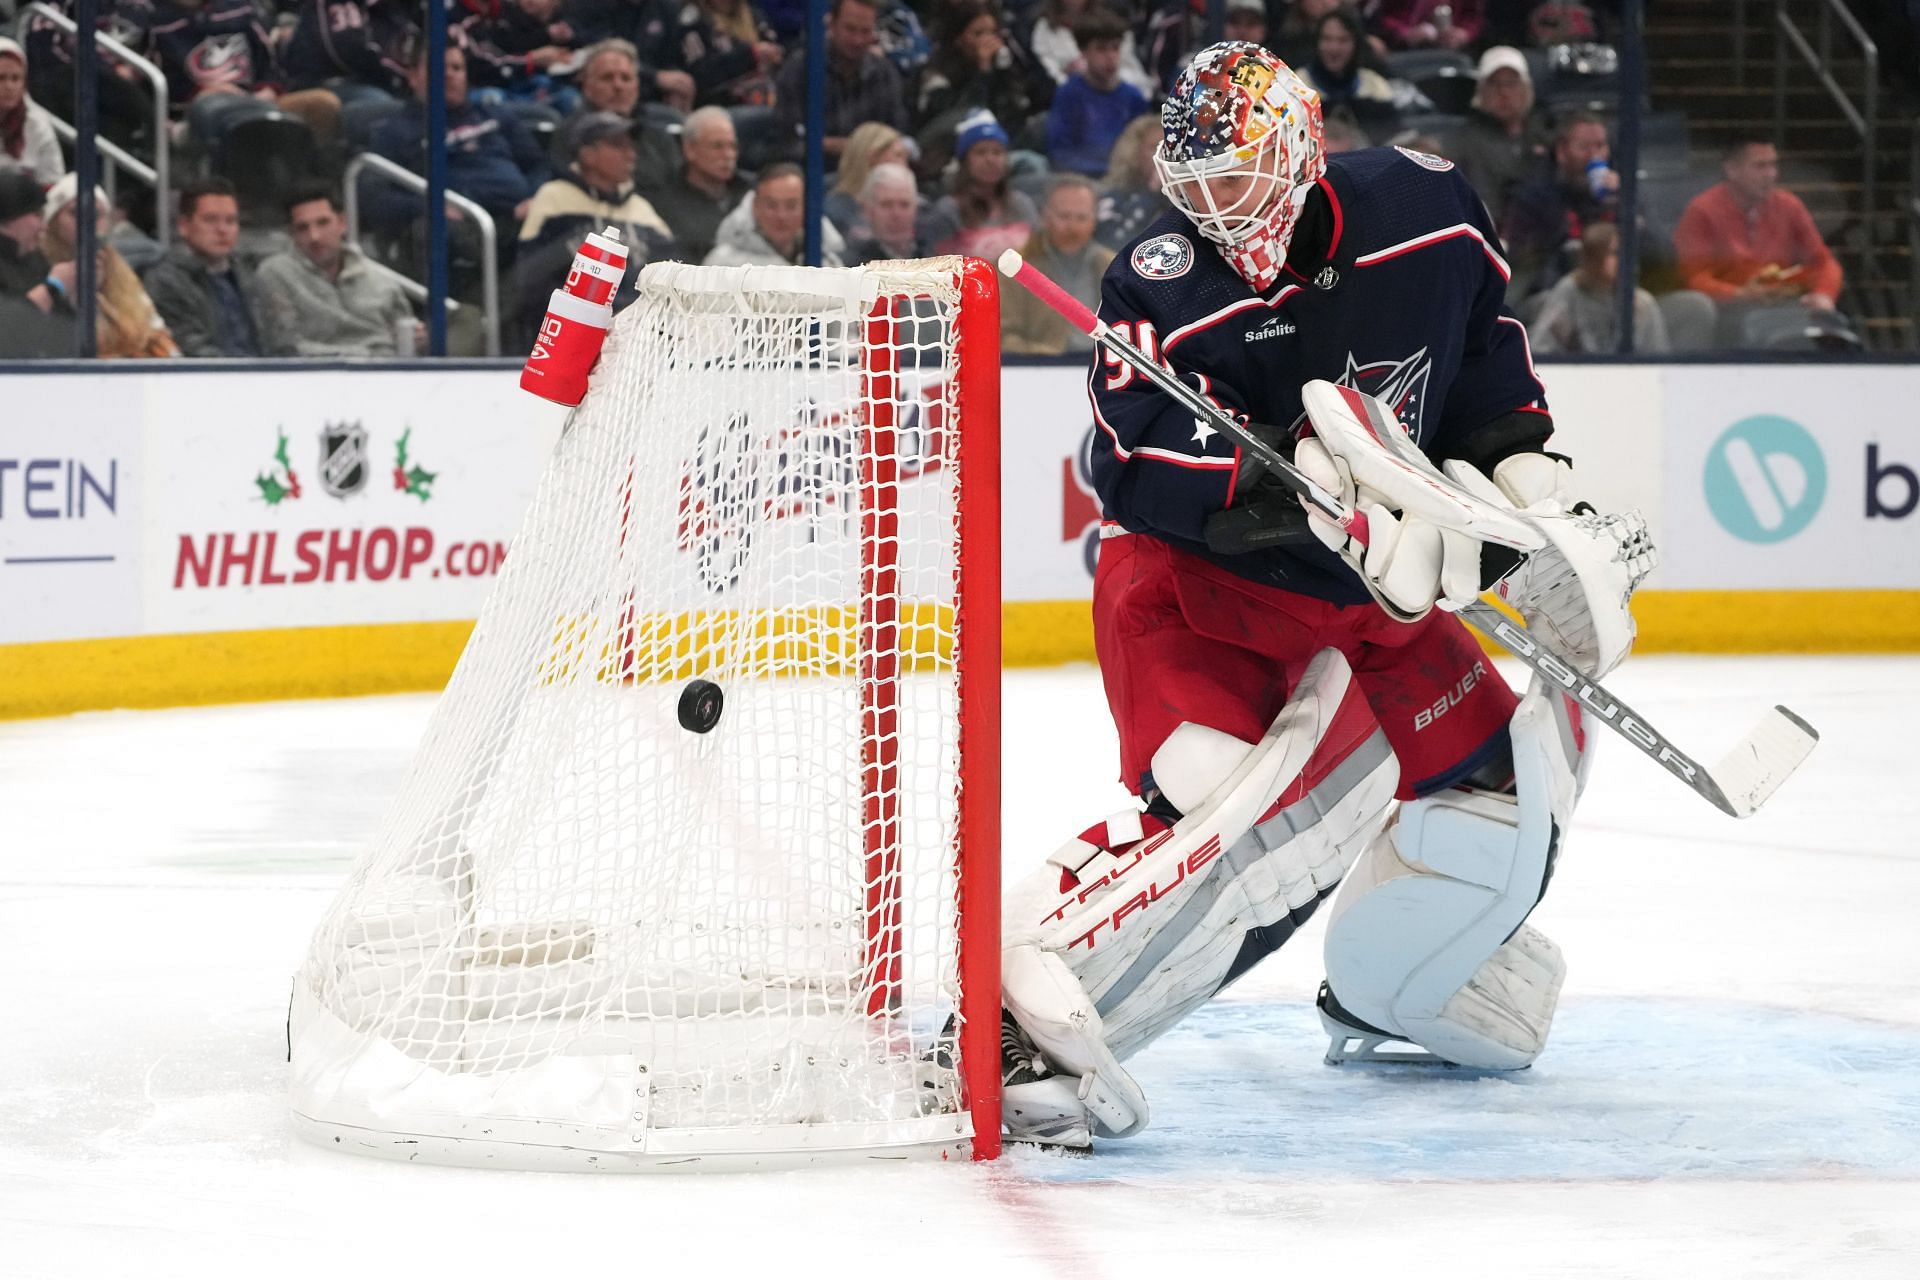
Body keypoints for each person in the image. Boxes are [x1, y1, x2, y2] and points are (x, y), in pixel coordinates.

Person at [995, 41, 1650, 1150]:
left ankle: (1401, 982)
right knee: (1240, 810)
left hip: (1371, 605)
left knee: (1504, 797)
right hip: (1201, 591)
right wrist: (1286, 489)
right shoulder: (1161, 277)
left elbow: (1483, 359)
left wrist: (1528, 481)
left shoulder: (1427, 209)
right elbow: (1131, 459)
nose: (1219, 214)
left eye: (1239, 183)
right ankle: (1025, 1009)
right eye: (1195, 191)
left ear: (1298, 150)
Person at [364, 39, 549, 239]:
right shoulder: (394, 132)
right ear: (413, 77)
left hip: (522, 215)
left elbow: (539, 165)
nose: (448, 74)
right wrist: (428, 206)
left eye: (457, 67)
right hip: (461, 227)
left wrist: (535, 197)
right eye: (438, 67)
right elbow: (375, 198)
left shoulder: (495, 115)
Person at [1673, 137, 1844, 322]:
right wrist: (1739, 294)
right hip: (1726, 312)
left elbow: (1823, 261)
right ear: (1732, 170)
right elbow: (1694, 278)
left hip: (1781, 304)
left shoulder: (1789, 205)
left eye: (1773, 166)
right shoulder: (1701, 211)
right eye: (1760, 166)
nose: (1770, 174)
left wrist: (1823, 295)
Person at [252, 184, 418, 357]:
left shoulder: (381, 281)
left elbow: (406, 342)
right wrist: (366, 354)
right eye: (303, 228)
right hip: (310, 378)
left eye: (323, 223)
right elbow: (285, 347)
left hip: (385, 377)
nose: (314, 236)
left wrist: (418, 341)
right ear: (291, 233)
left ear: (342, 223)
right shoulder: (276, 274)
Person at [40, 173, 178, 358]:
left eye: (97, 215)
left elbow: (155, 329)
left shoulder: (120, 271)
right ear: (53, 221)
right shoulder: (38, 268)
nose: (88, 223)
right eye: (75, 213)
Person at [1499, 111, 1617, 304]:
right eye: (1583, 147)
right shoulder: (1533, 198)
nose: (1594, 156)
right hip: (1549, 296)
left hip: (1617, 295)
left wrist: (1619, 205)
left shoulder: (1621, 195)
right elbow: (1524, 264)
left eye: (1600, 146)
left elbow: (1663, 253)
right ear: (1561, 152)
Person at [773, 0, 910, 161]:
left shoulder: (884, 73)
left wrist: (830, 144)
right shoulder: (800, 69)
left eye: (865, 31)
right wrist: (855, 147)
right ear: (831, 25)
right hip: (814, 172)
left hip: (870, 171)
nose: (857, 40)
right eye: (850, 29)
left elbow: (896, 135)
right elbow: (790, 142)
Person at [143, 176, 262, 357]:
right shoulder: (164, 281)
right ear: (184, 226)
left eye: (230, 221)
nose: (223, 230)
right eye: (210, 220)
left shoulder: (247, 272)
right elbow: (191, 349)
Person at [519, 112, 675, 247]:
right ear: (587, 154)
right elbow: (529, 271)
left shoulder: (640, 207)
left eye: (631, 146)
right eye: (619, 146)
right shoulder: (554, 196)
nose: (631, 155)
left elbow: (670, 267)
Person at [999, 174, 1112, 354]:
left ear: (1094, 220)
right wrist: (1043, 355)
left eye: (1081, 217)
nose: (1072, 226)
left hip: (1101, 368)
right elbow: (1002, 337)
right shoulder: (1017, 268)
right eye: (1064, 216)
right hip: (1036, 370)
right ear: (1045, 215)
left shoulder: (1112, 266)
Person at [914, 1, 1032, 172]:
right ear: (959, 38)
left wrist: (1005, 73)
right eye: (978, 33)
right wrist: (982, 72)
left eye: (992, 33)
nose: (988, 41)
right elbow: (962, 116)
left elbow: (1016, 109)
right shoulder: (935, 72)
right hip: (946, 155)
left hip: (998, 146)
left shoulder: (1000, 66)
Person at [1043, 7, 1151, 178]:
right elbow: (1059, 154)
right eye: (1101, 49)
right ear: (1083, 52)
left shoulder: (1133, 98)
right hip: (1081, 180)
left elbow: (1143, 152)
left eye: (1115, 48)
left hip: (1124, 183)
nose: (1110, 57)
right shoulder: (1069, 94)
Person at [1446, 45, 1547, 227]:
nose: (1504, 93)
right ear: (1481, 91)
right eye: (1494, 84)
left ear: (1527, 89)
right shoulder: (1463, 143)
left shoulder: (1544, 135)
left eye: (1511, 83)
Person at [1530, 222, 1667, 354]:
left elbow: (1657, 357)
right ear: (1594, 257)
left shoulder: (1640, 303)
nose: (1624, 260)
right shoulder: (1570, 291)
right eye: (1615, 253)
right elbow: (1541, 348)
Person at [921, 110, 1037, 260]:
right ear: (965, 161)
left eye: (997, 152)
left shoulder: (1022, 205)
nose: (990, 159)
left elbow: (1041, 257)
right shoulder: (948, 212)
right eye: (980, 152)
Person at [646, 105, 751, 264]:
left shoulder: (751, 194)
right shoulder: (665, 205)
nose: (728, 155)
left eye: (733, 146)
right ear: (689, 150)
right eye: (717, 146)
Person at [704, 162, 845, 266]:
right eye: (771, 205)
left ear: (806, 208)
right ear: (755, 207)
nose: (781, 216)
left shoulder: (830, 264)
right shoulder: (722, 265)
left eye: (791, 206)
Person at [0, 167, 73, 356]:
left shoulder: (35, 260)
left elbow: (66, 331)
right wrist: (52, 289)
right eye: (36, 215)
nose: (43, 226)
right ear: (7, 220)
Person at [1299, 6, 1398, 140]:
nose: (1334, 48)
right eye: (1327, 39)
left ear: (1356, 45)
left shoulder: (1375, 85)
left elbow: (1393, 136)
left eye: (1343, 40)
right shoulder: (1298, 84)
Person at [1027, 0, 1156, 98]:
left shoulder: (1111, 23)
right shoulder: (1044, 29)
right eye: (1101, 49)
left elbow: (1135, 74)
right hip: (1074, 99)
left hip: (1117, 95)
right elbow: (1049, 74)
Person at [1094, 113, 1168, 251]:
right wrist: (1151, 193)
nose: (1163, 155)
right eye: (1154, 147)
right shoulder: (1114, 196)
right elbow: (1112, 243)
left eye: (1170, 147)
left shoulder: (1194, 200)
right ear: (1134, 152)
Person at [825, 121, 910, 237]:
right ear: (873, 158)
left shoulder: (919, 207)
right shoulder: (834, 212)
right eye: (898, 156)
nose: (905, 166)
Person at [0, 37, 65, 184]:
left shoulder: (37, 123)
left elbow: (53, 180)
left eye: (16, 78)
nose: (9, 86)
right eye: (1, 78)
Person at [841, 162, 930, 265]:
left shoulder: (934, 256)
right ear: (868, 210)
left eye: (904, 205)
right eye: (886, 205)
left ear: (915, 209)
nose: (896, 214)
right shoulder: (849, 267)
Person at [1367, 0, 1481, 50]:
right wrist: (1406, 33)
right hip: (1402, 48)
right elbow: (1382, 16)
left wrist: (1464, 33)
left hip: (1453, 50)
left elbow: (1474, 17)